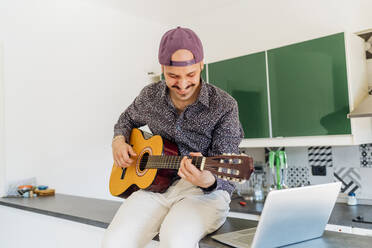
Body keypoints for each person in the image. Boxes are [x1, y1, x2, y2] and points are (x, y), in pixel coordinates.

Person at [102, 26, 244, 248]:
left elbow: (226, 164)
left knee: (175, 240)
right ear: (162, 69)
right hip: (155, 187)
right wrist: (118, 141)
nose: (183, 84)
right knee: (114, 243)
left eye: (191, 75)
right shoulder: (150, 97)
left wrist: (208, 179)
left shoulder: (224, 105)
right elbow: (125, 121)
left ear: (201, 66)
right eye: (173, 76)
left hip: (205, 193)